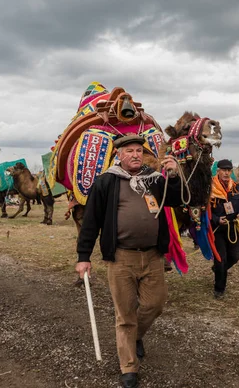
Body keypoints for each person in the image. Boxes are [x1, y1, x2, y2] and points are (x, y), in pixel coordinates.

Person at [75, 134, 182, 388]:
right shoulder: (106, 182)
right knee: (125, 315)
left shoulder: (155, 179)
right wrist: (83, 257)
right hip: (121, 258)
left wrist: (175, 175)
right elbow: (90, 222)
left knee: (155, 305)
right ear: (119, 155)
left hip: (153, 256)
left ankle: (135, 336)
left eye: (139, 151)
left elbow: (177, 200)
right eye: (130, 151)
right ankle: (129, 368)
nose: (135, 155)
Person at [210, 159, 239, 299]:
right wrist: (216, 219)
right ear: (218, 171)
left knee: (235, 257)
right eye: (224, 170)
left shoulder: (237, 188)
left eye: (229, 170)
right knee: (221, 259)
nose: (226, 173)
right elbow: (205, 211)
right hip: (217, 229)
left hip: (233, 227)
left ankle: (218, 270)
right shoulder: (210, 188)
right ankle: (219, 289)